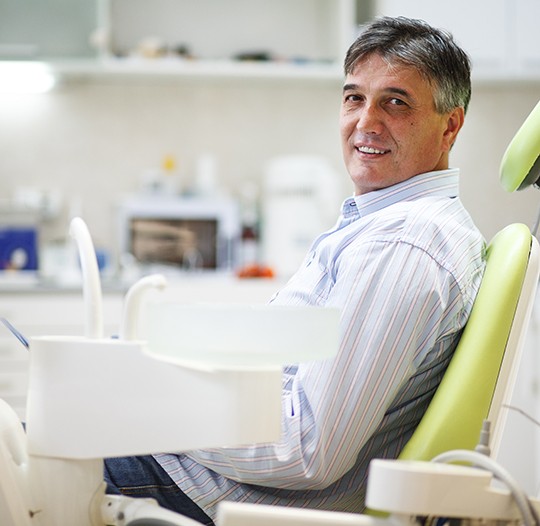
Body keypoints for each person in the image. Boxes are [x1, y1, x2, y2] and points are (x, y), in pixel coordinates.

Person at [104, 16, 486, 525]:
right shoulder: (381, 224)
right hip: (200, 472)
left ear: (450, 125)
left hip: (202, 494)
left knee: (23, 458)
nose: (366, 122)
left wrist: (156, 406)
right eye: (354, 98)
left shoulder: (404, 245)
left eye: (396, 102)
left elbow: (308, 449)